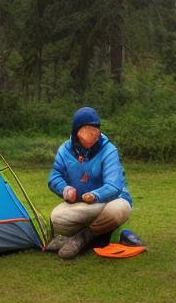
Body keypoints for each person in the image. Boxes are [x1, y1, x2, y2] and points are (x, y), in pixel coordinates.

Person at [45, 107, 132, 259]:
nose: (94, 135)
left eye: (96, 131)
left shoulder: (108, 150)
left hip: (109, 202)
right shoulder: (64, 150)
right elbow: (54, 176)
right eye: (88, 132)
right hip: (83, 206)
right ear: (77, 132)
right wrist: (65, 190)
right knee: (56, 217)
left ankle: (83, 237)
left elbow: (114, 185)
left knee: (119, 209)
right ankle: (99, 236)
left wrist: (94, 195)